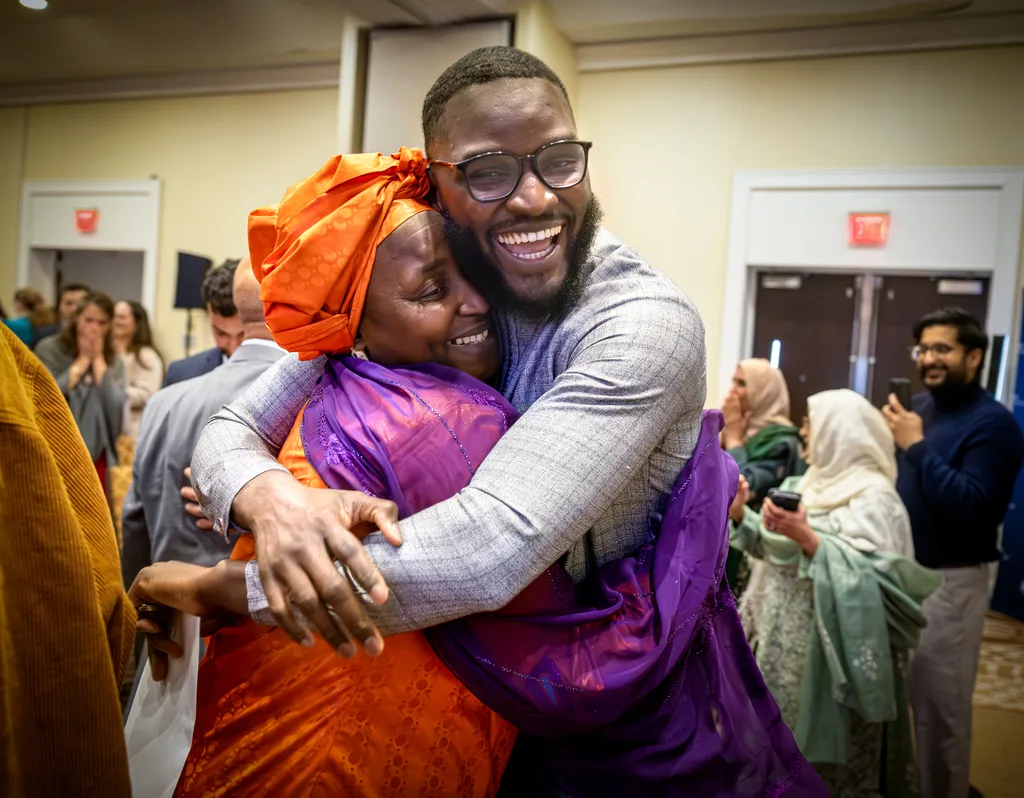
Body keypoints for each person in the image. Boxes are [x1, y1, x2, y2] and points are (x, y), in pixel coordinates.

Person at [132, 148, 825, 797]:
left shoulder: (350, 379)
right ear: (356, 328)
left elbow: (233, 439)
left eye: (473, 270)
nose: (473, 300)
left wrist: (229, 567)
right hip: (355, 751)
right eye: (433, 288)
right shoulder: (444, 419)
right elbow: (504, 576)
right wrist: (252, 528)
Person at [730, 388, 941, 797]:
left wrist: (810, 539)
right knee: (775, 747)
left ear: (841, 432)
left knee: (826, 771)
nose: (803, 429)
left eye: (812, 421)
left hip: (831, 657)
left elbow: (882, 588)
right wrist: (742, 514)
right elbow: (775, 552)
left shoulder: (875, 500)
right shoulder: (803, 483)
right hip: (780, 645)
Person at [882, 307, 1024, 798]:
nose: (930, 359)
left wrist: (916, 447)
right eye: (924, 350)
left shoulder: (995, 425)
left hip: (951, 585)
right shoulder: (919, 409)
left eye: (943, 349)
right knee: (901, 704)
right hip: (903, 576)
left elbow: (972, 507)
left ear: (975, 355)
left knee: (941, 713)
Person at [0, 323, 135, 797]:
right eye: (91, 323)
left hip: (91, 455)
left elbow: (117, 413)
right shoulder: (27, 363)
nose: (97, 329)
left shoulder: (110, 363)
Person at [121, 259, 286, 587]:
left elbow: (134, 518)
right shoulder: (317, 393)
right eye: (220, 332)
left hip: (184, 598)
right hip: (251, 610)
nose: (231, 344)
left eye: (239, 333)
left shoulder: (161, 405)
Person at [721, 358, 804, 593]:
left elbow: (741, 486)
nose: (733, 390)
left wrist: (734, 439)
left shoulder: (781, 441)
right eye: (733, 381)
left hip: (756, 549)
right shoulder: (745, 430)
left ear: (763, 392)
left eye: (743, 383)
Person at [36, 291, 127, 492]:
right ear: (77, 318)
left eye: (102, 323)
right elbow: (44, 396)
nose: (94, 328)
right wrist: (81, 362)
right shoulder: (50, 349)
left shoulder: (115, 360)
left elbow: (116, 406)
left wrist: (97, 361)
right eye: (89, 320)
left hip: (98, 451)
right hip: (56, 445)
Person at [163, 259, 245, 386]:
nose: (233, 347)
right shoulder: (181, 376)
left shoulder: (285, 375)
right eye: (221, 334)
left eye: (244, 334)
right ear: (208, 313)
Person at [112, 300, 164, 439]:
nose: (116, 321)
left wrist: (114, 394)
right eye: (114, 316)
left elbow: (148, 393)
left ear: (136, 322)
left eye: (122, 317)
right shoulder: (105, 354)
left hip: (133, 432)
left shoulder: (146, 356)